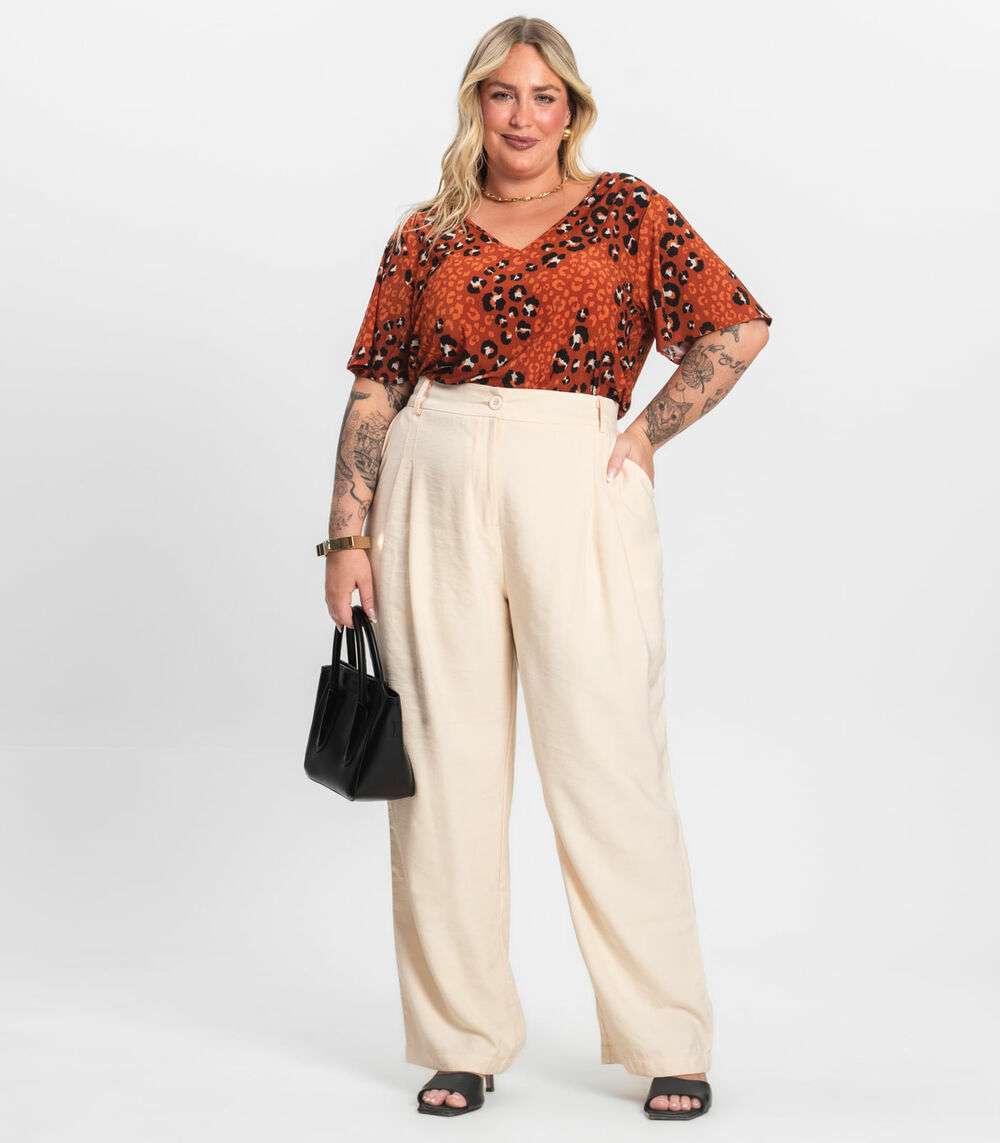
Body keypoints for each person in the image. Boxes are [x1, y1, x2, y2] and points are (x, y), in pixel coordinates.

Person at [322, 15, 772, 1121]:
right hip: (433, 470)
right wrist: (346, 536)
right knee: (442, 768)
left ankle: (668, 1037)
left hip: (575, 471)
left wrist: (644, 434)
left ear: (571, 109)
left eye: (543, 96)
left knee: (609, 758)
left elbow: (735, 328)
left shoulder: (628, 211)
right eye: (501, 94)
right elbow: (376, 385)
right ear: (475, 104)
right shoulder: (426, 232)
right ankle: (460, 1040)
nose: (522, 116)